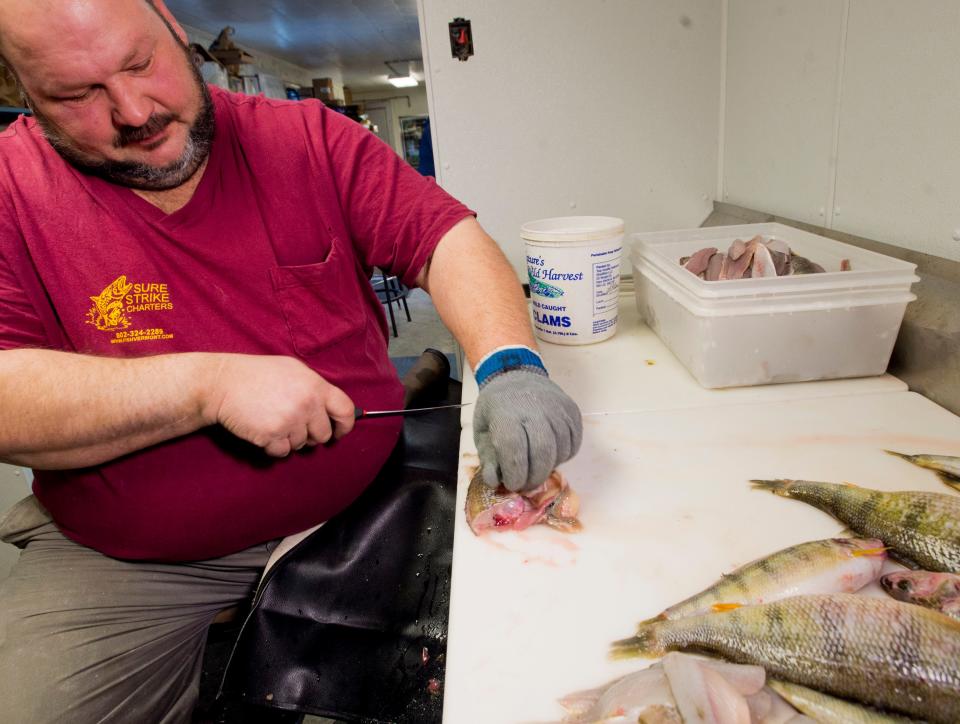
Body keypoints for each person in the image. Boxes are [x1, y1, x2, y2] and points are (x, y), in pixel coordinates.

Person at [0, 0, 583, 721]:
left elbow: (445, 240)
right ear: (25, 94)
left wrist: (508, 362)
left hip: (364, 501)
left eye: (139, 63)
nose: (131, 110)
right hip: (130, 558)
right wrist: (206, 385)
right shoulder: (10, 189)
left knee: (530, 656)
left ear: (176, 32)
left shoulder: (307, 137)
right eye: (76, 94)